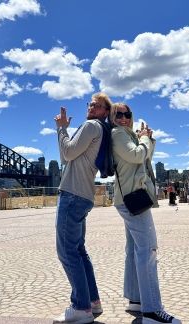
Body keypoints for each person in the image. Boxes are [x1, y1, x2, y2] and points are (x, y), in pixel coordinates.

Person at [110, 102, 181, 324]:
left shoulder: (128, 135)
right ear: (112, 117)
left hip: (129, 198)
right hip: (134, 200)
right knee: (148, 250)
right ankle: (151, 311)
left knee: (134, 250)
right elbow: (137, 156)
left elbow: (144, 159)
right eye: (118, 114)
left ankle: (137, 300)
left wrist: (147, 139)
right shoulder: (118, 134)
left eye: (127, 114)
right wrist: (145, 139)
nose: (123, 117)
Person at [53, 92, 112, 323]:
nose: (91, 107)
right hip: (84, 195)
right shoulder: (103, 131)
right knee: (79, 251)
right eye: (90, 104)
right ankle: (93, 302)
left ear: (105, 112)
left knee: (67, 251)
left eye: (97, 106)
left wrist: (61, 128)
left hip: (72, 194)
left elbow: (67, 154)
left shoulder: (90, 126)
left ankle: (81, 308)